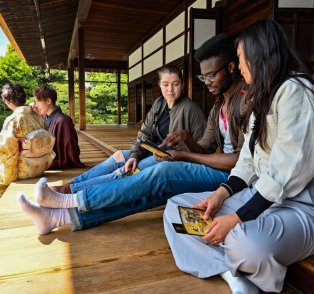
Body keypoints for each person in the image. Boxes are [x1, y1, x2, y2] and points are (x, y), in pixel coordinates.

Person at [17, 33, 246, 235]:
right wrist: (184, 138)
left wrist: (185, 154)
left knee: (157, 172)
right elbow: (203, 147)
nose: (206, 83)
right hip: (177, 159)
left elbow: (242, 162)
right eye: (202, 77)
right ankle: (57, 217)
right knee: (140, 180)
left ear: (232, 67)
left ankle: (72, 197)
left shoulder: (244, 103)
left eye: (210, 76)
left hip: (231, 178)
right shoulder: (214, 106)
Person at [163, 19, 314, 294]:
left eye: (242, 59)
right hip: (257, 196)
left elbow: (285, 175)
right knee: (177, 209)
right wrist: (220, 194)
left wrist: (236, 219)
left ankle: (233, 262)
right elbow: (247, 158)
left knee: (244, 242)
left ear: (260, 54)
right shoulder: (262, 94)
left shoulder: (296, 92)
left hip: (298, 206)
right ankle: (232, 275)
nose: (241, 67)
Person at [50, 65, 206, 193]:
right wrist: (134, 155)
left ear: (182, 84)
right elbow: (144, 133)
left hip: (169, 159)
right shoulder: (160, 103)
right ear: (159, 85)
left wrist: (181, 151)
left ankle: (71, 190)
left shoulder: (191, 109)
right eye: (166, 84)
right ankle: (75, 182)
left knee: (127, 171)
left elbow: (203, 150)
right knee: (120, 156)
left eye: (175, 84)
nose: (170, 89)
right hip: (151, 151)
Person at [0, 83, 55, 193]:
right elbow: (48, 144)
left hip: (22, 172)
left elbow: (7, 151)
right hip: (40, 168)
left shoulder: (14, 120)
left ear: (7, 101)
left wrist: (6, 178)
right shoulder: (39, 118)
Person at [33, 85, 85, 169]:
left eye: (37, 101)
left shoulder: (63, 120)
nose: (36, 105)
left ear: (48, 101)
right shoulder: (44, 118)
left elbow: (71, 147)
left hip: (57, 161)